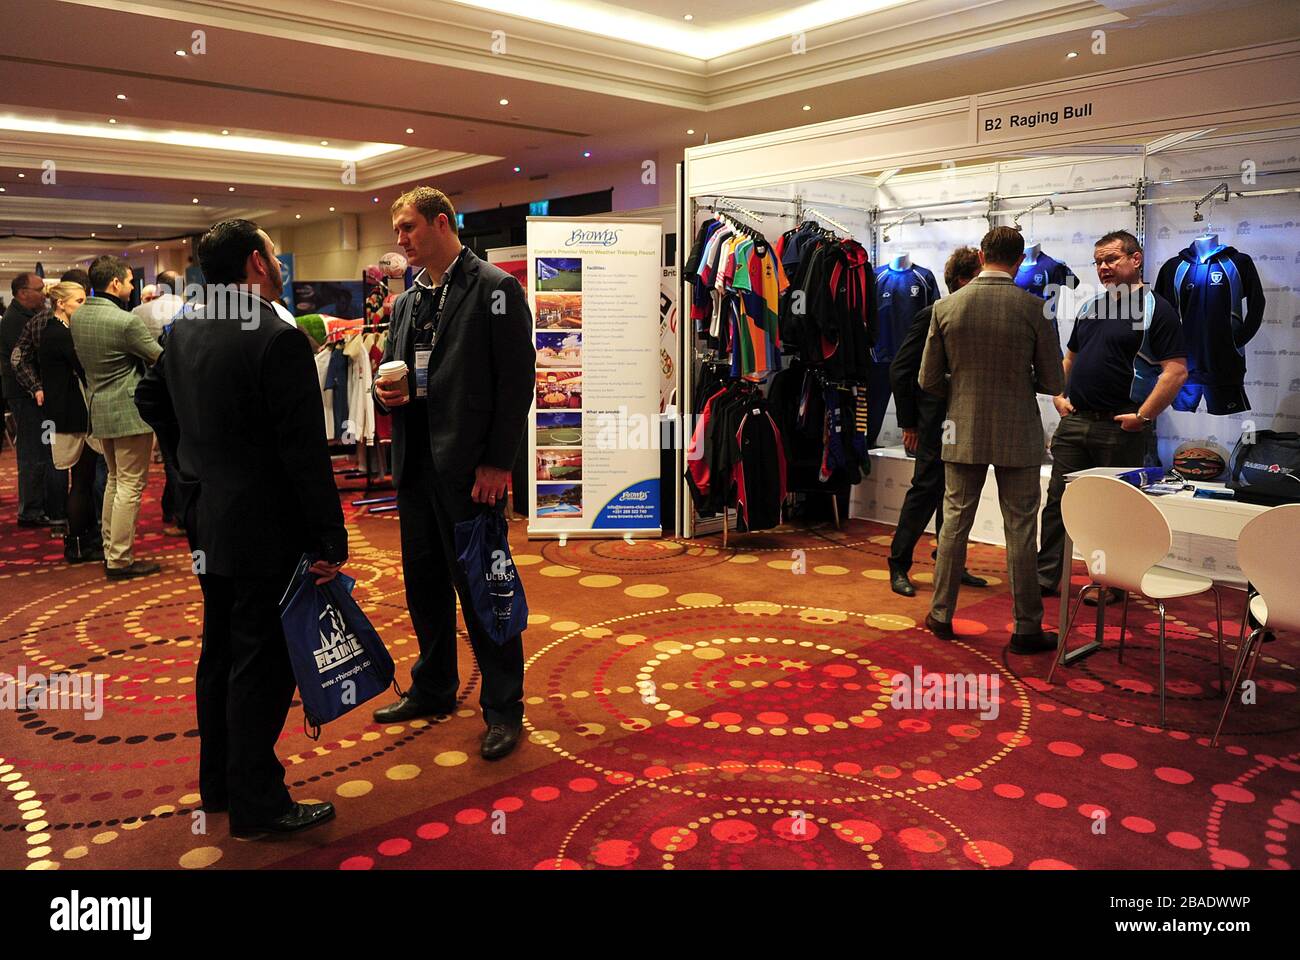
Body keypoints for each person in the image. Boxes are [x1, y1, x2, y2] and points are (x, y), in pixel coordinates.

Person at [135, 218, 347, 838]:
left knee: (221, 650)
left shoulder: (187, 326)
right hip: (265, 526)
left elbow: (152, 402)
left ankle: (221, 785)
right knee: (262, 662)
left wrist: (187, 467)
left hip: (208, 519)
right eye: (274, 255)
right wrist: (328, 539)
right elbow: (304, 454)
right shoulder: (275, 335)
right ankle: (258, 804)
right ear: (257, 262)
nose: (277, 264)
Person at [370, 186, 536, 761]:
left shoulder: (496, 289)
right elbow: (408, 374)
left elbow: (517, 385)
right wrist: (384, 394)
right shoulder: (408, 301)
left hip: (471, 470)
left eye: (409, 228)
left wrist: (496, 462)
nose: (400, 241)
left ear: (442, 223)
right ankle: (435, 685)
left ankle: (503, 707)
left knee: (484, 589)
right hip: (416, 466)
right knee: (425, 586)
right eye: (397, 230)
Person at [918, 226, 1065, 653]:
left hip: (960, 427)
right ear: (1019, 261)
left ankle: (941, 615)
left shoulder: (947, 307)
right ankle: (1026, 628)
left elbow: (928, 379)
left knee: (954, 523)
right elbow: (1053, 380)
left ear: (981, 256)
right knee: (1021, 528)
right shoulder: (1036, 309)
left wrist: (962, 389)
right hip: (1018, 429)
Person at [1037, 230, 1188, 603]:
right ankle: (1044, 577)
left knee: (1114, 512)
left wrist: (1143, 416)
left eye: (1111, 259)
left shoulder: (1158, 309)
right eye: (1099, 262)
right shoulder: (1091, 307)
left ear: (1135, 260)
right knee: (1058, 502)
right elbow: (1069, 359)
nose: (1103, 268)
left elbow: (1176, 371)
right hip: (1076, 423)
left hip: (1120, 429)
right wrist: (1058, 394)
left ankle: (1112, 584)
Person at [887, 247, 987, 597]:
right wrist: (909, 423)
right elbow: (901, 370)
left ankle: (951, 563)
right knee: (926, 490)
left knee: (956, 492)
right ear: (963, 280)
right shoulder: (933, 313)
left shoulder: (978, 315)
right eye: (980, 275)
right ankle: (898, 564)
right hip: (933, 422)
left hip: (965, 419)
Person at [72, 256, 162, 578]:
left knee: (114, 480)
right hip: (129, 410)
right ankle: (121, 559)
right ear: (114, 284)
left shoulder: (79, 316)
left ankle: (112, 550)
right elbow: (158, 357)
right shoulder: (125, 322)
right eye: (128, 281)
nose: (131, 286)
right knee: (129, 485)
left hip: (98, 407)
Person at [10, 281, 103, 564]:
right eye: (79, 301)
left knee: (82, 479)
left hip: (66, 410)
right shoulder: (59, 333)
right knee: (80, 480)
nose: (83, 306)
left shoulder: (58, 330)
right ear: (61, 304)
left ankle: (82, 540)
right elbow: (83, 368)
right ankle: (78, 543)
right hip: (70, 412)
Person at [2, 272, 67, 527]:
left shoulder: (26, 316)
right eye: (39, 289)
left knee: (41, 450)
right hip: (25, 394)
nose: (45, 293)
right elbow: (23, 359)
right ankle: (30, 511)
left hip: (30, 393)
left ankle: (39, 507)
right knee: (33, 452)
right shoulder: (14, 321)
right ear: (22, 293)